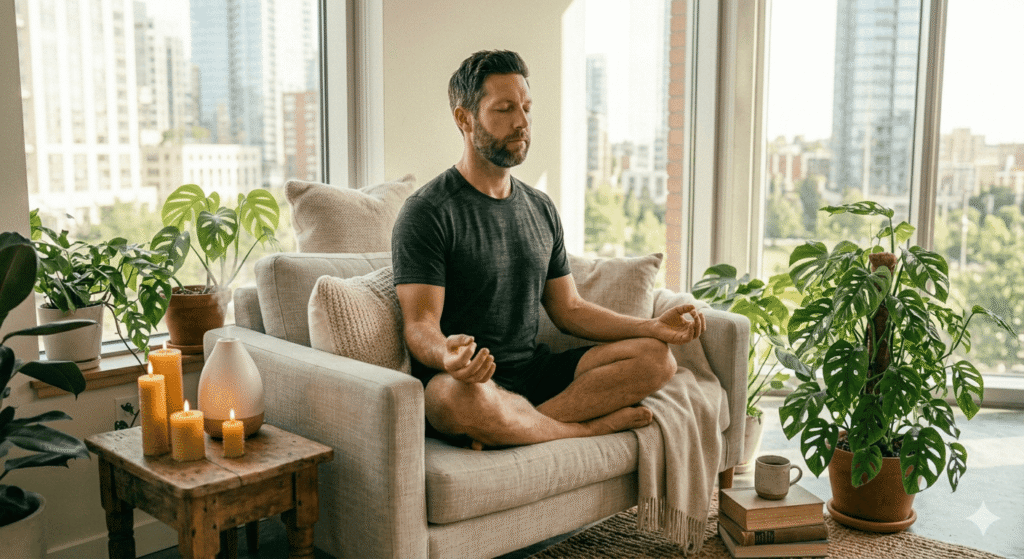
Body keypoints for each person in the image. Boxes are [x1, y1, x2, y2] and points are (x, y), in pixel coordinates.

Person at [392, 50, 705, 450]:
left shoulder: (540, 208)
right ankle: (585, 428)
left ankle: (516, 427)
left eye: (526, 108)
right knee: (449, 397)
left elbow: (569, 309)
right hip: (468, 382)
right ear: (464, 119)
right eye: (504, 109)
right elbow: (419, 325)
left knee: (657, 358)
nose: (521, 122)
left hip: (533, 373)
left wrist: (652, 326)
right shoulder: (427, 212)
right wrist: (447, 354)